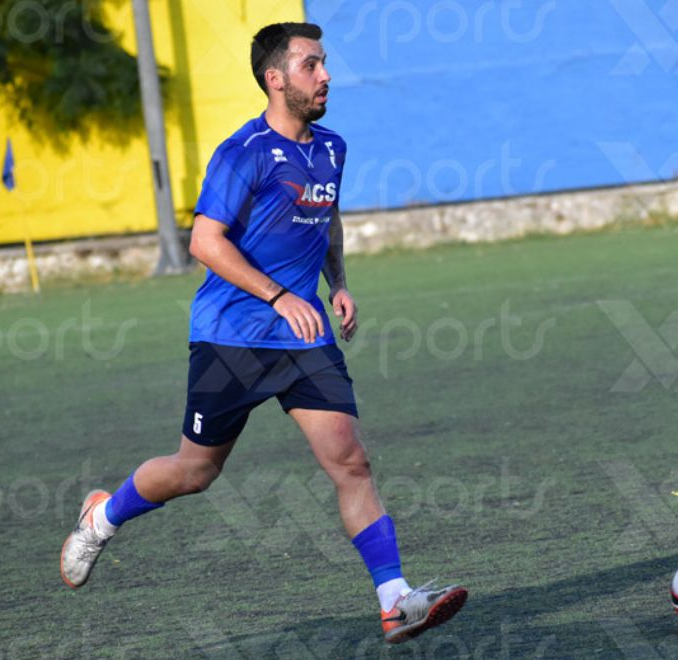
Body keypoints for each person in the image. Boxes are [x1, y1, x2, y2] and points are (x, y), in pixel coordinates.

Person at [59, 22, 467, 644]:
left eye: (324, 63)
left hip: (304, 338)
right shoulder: (242, 152)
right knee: (196, 472)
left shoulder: (332, 149)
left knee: (351, 462)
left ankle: (395, 601)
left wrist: (338, 283)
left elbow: (325, 218)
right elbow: (204, 242)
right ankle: (103, 515)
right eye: (311, 65)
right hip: (232, 337)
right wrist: (278, 295)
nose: (325, 75)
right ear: (275, 79)